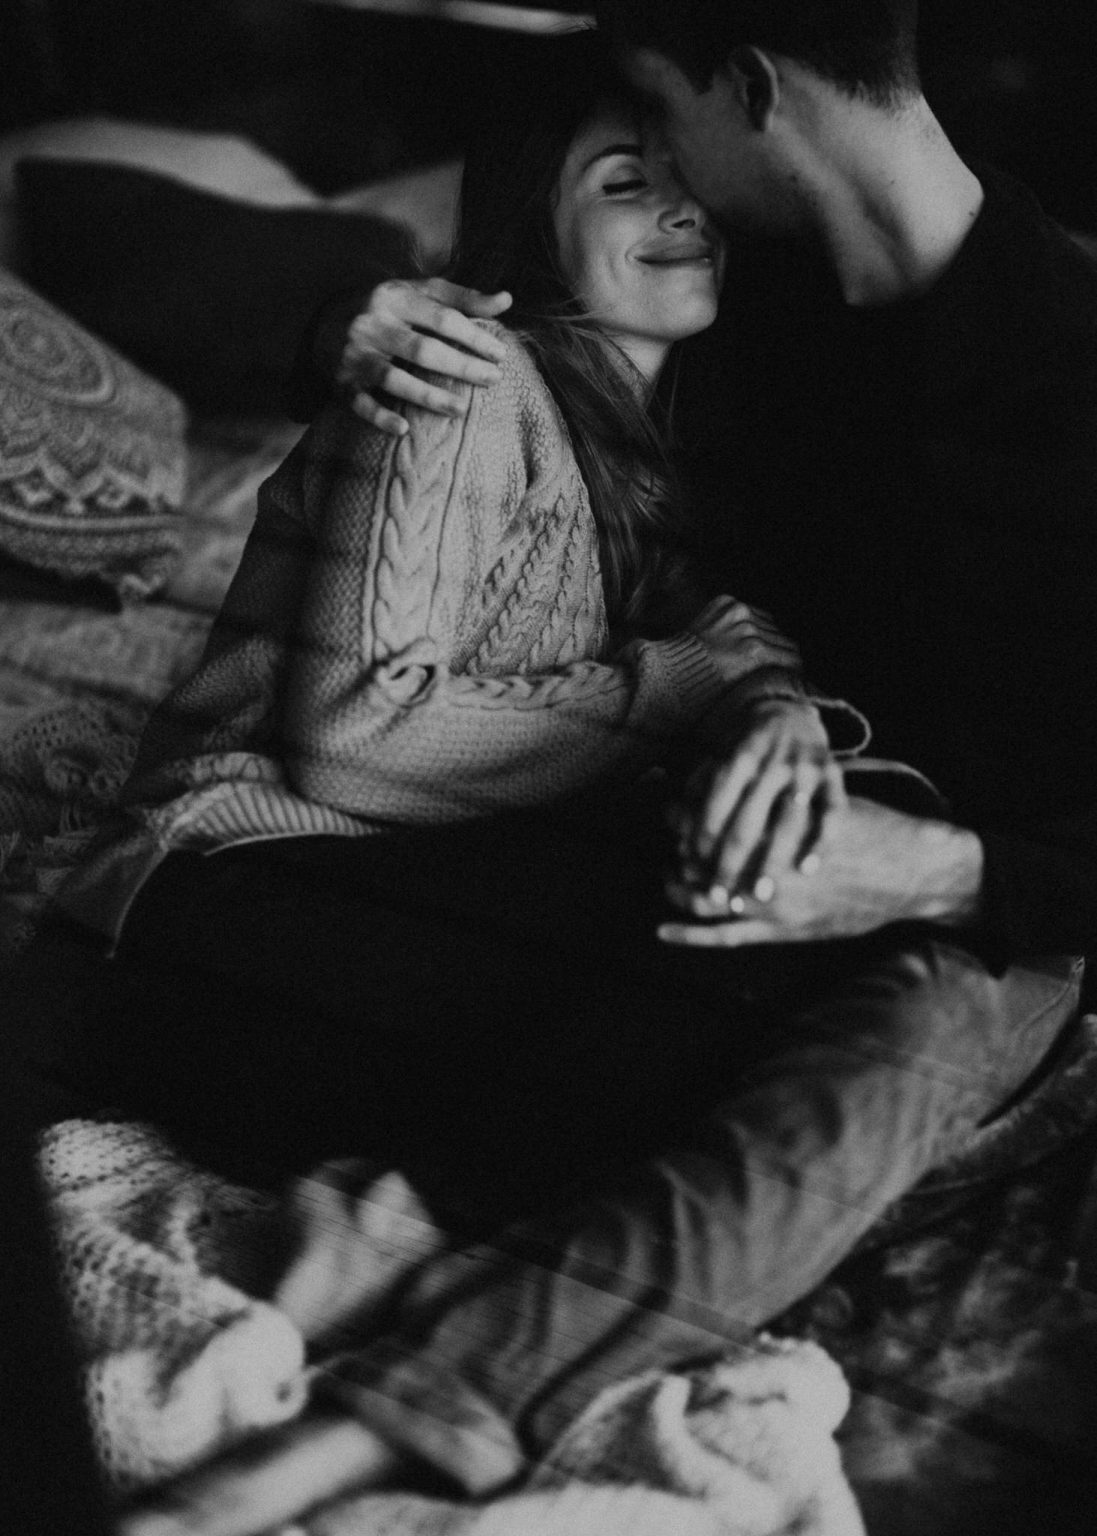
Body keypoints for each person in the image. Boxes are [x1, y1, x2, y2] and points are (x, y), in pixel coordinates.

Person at [101, 10, 1093, 1533]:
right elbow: (481, 223)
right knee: (729, 940)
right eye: (626, 168)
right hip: (406, 861)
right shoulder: (723, 297)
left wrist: (903, 830)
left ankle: (377, 1392)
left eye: (659, 120)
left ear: (746, 93)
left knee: (872, 994)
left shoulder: (1049, 362)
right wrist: (338, 319)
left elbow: (727, 623)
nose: (671, 187)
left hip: (966, 880)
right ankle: (379, 1291)